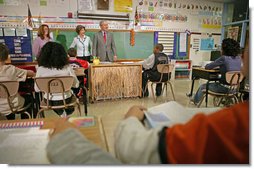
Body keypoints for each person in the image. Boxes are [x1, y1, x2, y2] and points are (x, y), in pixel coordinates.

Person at [45, 39, 249, 164]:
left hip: (153, 80)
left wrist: (132, 117)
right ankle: (155, 90)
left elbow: (134, 151)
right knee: (154, 77)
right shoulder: (167, 56)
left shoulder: (236, 125)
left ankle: (142, 92)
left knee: (144, 74)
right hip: (167, 79)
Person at [34, 42, 79, 117]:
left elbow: (37, 89)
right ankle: (65, 115)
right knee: (71, 99)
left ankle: (61, 114)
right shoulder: (67, 67)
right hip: (66, 99)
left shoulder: (40, 69)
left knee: (57, 104)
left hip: (49, 100)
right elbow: (76, 85)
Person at [192, 38, 242, 105]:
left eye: (221, 48)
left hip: (223, 89)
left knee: (203, 86)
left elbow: (208, 67)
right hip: (235, 90)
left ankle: (195, 101)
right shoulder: (239, 58)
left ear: (224, 49)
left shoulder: (223, 58)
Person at [0, 43, 35, 120]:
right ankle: (26, 122)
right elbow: (30, 73)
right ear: (6, 56)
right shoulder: (11, 69)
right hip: (12, 105)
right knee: (30, 98)